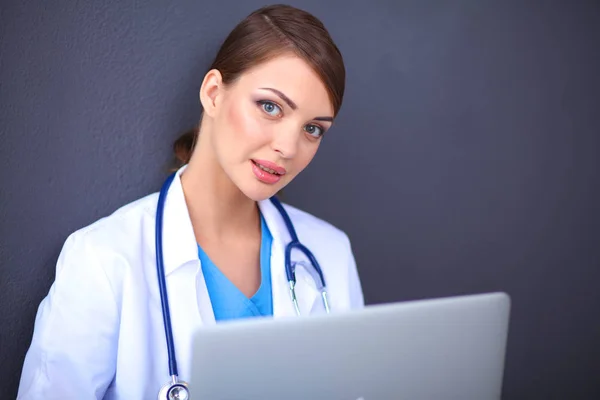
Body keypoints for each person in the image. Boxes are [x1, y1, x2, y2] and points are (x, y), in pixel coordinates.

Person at [17, 4, 364, 399]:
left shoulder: (330, 255)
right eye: (270, 107)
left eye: (313, 129)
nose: (288, 147)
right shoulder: (103, 260)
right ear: (213, 94)